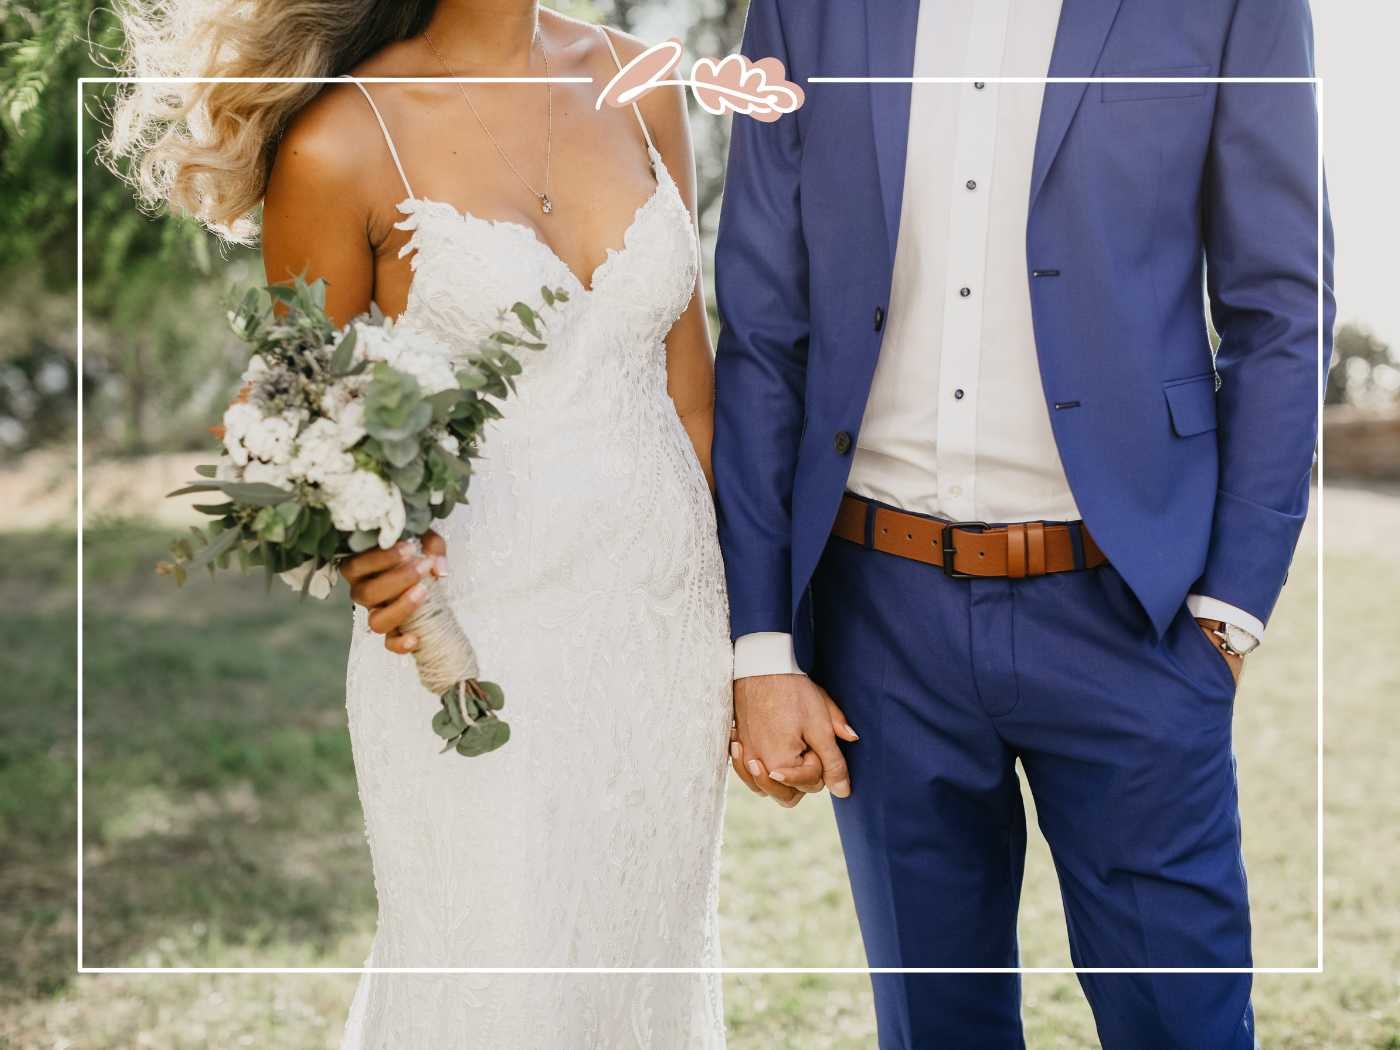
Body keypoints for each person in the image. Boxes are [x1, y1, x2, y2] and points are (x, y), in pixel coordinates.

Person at [111, 2, 739, 1045]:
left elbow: (691, 395)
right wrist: (368, 556)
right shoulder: (342, 140)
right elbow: (294, 418)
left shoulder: (641, 77)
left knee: (636, 976)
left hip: (662, 632)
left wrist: (743, 637)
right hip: (475, 633)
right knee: (495, 985)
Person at [715, 1, 1332, 1047]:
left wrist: (1226, 613)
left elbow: (1283, 307)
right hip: (880, 626)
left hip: (1131, 614)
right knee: (934, 1028)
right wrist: (763, 646)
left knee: (1181, 1026)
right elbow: (764, 330)